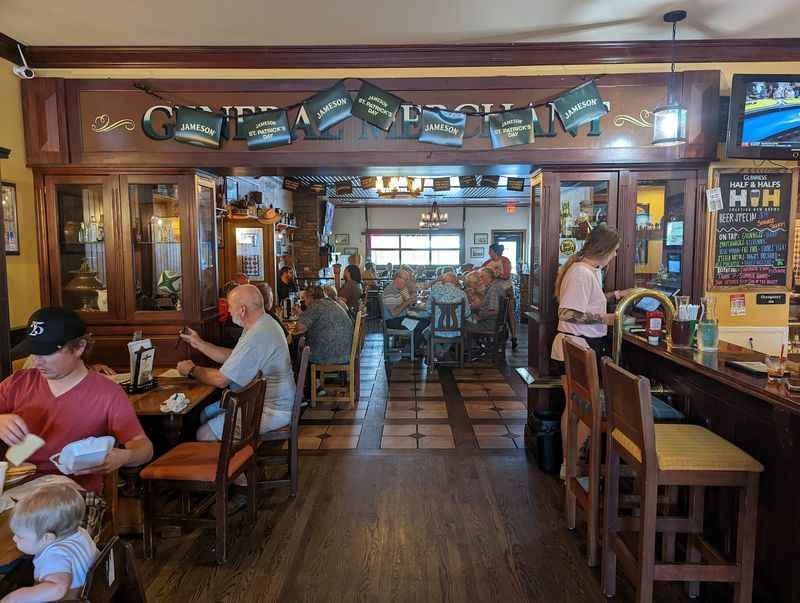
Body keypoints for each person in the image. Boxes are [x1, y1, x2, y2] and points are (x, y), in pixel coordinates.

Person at [0, 307, 153, 495]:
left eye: (47, 352)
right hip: (15, 487)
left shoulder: (107, 393)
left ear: (79, 347)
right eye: (34, 351)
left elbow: (144, 447)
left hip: (72, 496)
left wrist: (124, 456)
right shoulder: (17, 383)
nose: (37, 361)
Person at [550, 224, 633, 479]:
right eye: (616, 250)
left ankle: (571, 464)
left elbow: (587, 300)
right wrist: (606, 319)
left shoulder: (590, 271)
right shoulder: (581, 273)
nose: (616, 255)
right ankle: (571, 465)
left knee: (580, 409)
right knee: (582, 410)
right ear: (604, 249)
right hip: (576, 346)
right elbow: (566, 312)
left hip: (579, 345)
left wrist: (617, 295)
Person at [177, 284, 295, 439]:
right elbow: (234, 356)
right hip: (260, 400)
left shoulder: (258, 334)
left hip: (272, 410)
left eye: (230, 307)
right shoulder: (261, 323)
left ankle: (230, 461)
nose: (228, 311)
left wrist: (192, 370)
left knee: (203, 434)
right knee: (205, 414)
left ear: (242, 309)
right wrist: (198, 342)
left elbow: (221, 380)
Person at [5, 484, 99, 602]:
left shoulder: (54, 556)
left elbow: (58, 588)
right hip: (95, 590)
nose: (14, 539)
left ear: (47, 538)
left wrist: (14, 598)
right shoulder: (79, 532)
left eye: (20, 536)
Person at [293, 285, 354, 366]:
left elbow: (298, 329)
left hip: (330, 356)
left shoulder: (315, 306)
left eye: (305, 298)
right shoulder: (331, 303)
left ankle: (301, 377)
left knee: (299, 351)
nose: (304, 301)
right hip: (345, 352)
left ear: (310, 297)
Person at [424, 272, 471, 360]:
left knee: (426, 333)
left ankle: (440, 351)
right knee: (452, 331)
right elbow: (467, 313)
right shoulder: (462, 294)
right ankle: (444, 351)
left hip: (437, 330)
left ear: (442, 281)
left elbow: (428, 310)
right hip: (456, 331)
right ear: (456, 282)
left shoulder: (435, 291)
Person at [382, 273, 429, 353]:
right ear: (397, 278)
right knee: (422, 324)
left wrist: (408, 303)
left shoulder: (396, 289)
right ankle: (410, 350)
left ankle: (415, 347)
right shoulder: (390, 291)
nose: (407, 282)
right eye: (406, 280)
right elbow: (394, 313)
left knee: (426, 321)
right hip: (393, 321)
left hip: (399, 318)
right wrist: (407, 302)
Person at [482, 243, 518, 348]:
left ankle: (514, 337)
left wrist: (492, 275)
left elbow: (506, 275)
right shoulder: (488, 262)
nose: (489, 253)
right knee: (493, 312)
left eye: (490, 251)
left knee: (509, 313)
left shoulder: (505, 261)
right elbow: (481, 271)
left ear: (495, 251)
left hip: (506, 290)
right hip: (492, 290)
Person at [466, 268, 506, 333]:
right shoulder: (495, 286)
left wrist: (480, 317)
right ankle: (474, 342)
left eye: (482, 276)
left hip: (489, 324)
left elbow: (494, 311)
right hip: (491, 322)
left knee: (463, 324)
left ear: (489, 277)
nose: (480, 279)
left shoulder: (494, 289)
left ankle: (472, 343)